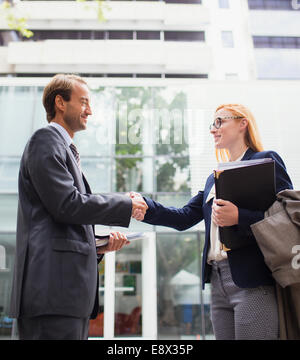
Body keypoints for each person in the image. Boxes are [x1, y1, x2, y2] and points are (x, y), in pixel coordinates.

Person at [130, 103, 293, 340]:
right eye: (212, 124)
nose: (213, 129)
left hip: (253, 281)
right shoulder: (213, 179)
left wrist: (240, 217)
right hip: (218, 282)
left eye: (219, 122)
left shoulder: (265, 161)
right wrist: (147, 208)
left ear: (242, 123)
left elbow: (285, 217)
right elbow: (184, 217)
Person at [9, 74, 148, 340]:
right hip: (52, 294)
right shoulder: (45, 140)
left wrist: (98, 245)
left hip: (65, 295)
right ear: (60, 103)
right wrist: (125, 204)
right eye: (83, 102)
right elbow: (67, 204)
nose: (90, 110)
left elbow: (60, 220)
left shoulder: (64, 148)